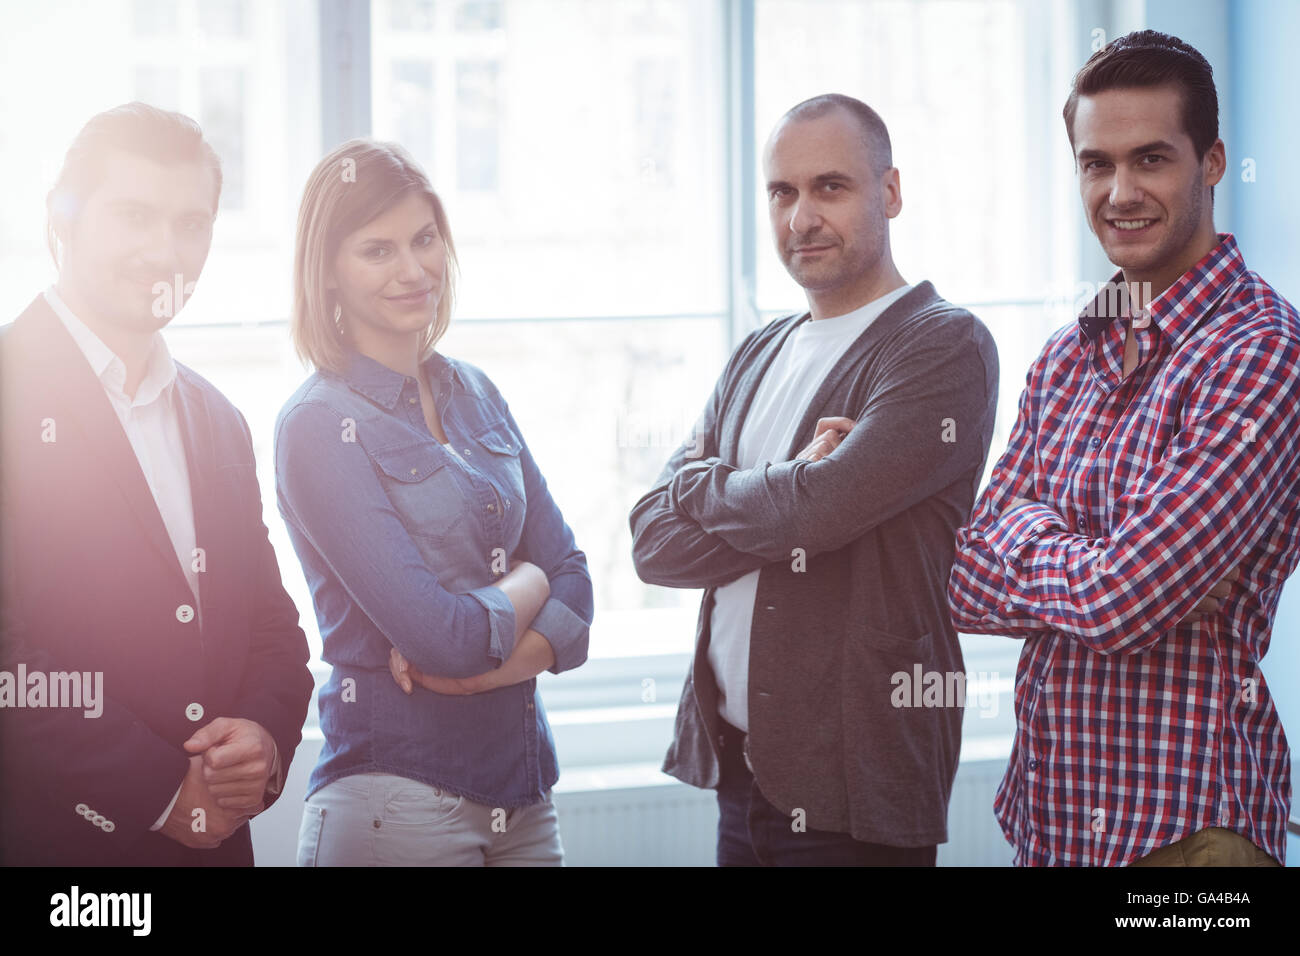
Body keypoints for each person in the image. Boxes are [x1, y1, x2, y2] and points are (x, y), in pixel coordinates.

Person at [948, 30, 1297, 867]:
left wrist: (1027, 540)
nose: (1120, 191)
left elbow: (1125, 600)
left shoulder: (1262, 351)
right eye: (1095, 164)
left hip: (1190, 837)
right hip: (1052, 824)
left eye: (1150, 160)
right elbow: (961, 580)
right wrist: (1098, 560)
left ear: (1211, 162)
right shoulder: (1070, 356)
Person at [629, 94, 999, 866]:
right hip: (742, 774)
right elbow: (652, 543)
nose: (801, 217)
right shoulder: (758, 351)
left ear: (889, 193)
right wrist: (779, 489)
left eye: (830, 187)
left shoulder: (941, 347)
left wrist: (711, 485)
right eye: (782, 192)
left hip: (853, 794)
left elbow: (816, 515)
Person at [0, 103, 314, 865]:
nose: (164, 251)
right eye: (134, 216)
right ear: (64, 219)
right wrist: (163, 792)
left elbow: (271, 628)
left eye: (191, 224)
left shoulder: (218, 419)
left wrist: (263, 736)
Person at [276, 139, 592, 867]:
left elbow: (578, 576)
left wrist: (495, 667)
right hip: (397, 804)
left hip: (525, 792)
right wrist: (528, 582)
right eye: (377, 250)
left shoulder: (475, 391)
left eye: (424, 240)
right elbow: (442, 637)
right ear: (327, 272)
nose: (414, 270)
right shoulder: (319, 425)